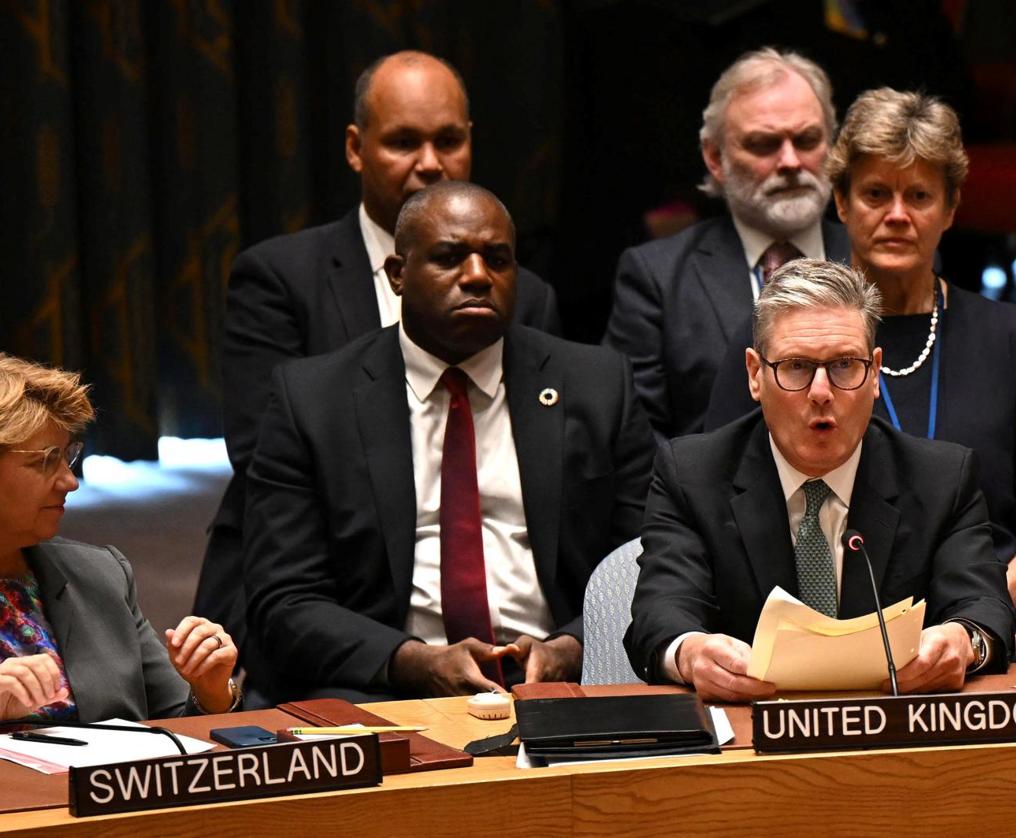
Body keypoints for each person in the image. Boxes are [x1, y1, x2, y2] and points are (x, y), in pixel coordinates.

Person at [195, 51, 561, 662]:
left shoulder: (526, 295)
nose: (430, 164)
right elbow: (263, 454)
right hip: (330, 577)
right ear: (355, 147)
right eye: (403, 142)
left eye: (448, 140)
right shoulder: (281, 278)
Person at [243, 182, 655, 702]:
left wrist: (574, 645)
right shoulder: (313, 400)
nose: (479, 276)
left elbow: (650, 559)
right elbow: (283, 599)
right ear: (398, 275)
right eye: (449, 257)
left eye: (498, 260)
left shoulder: (597, 386)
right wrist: (411, 661)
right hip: (384, 691)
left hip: (570, 684)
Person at [704, 89, 1016, 628]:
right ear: (841, 202)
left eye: (920, 196)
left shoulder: (1012, 340)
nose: (898, 216)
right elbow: (720, 500)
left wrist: (969, 608)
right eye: (876, 194)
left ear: (951, 208)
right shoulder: (779, 338)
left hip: (979, 632)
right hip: (802, 628)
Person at [625, 260, 1015, 703]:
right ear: (755, 374)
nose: (821, 391)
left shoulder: (941, 477)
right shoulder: (692, 475)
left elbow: (986, 608)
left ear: (874, 373)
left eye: (845, 365)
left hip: (895, 731)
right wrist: (690, 653)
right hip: (749, 736)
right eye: (796, 367)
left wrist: (965, 643)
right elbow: (659, 615)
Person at [603, 47, 850, 440]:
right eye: (764, 144)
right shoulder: (657, 279)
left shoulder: (879, 260)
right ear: (715, 158)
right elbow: (633, 442)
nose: (790, 161)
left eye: (806, 140)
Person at [0, 354, 239, 723]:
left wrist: (210, 690)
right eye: (45, 461)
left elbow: (175, 724)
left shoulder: (99, 575)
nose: (70, 481)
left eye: (68, 458)